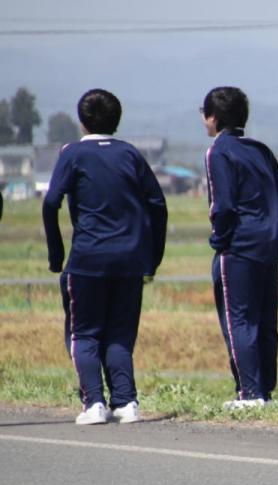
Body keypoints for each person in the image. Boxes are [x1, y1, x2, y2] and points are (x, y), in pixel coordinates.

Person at [42, 89, 167, 425]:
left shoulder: (73, 153)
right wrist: (152, 255)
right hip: (129, 260)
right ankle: (126, 403)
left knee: (84, 332)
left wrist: (57, 254)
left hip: (87, 259)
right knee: (120, 334)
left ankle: (94, 402)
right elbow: (157, 204)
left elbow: (50, 201)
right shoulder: (130, 154)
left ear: (82, 121)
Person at [201, 86, 278, 411]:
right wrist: (271, 228)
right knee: (265, 320)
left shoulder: (219, 151)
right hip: (269, 242)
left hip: (239, 245)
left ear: (213, 117)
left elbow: (222, 205)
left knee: (239, 319)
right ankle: (265, 390)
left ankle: (249, 393)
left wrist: (219, 240)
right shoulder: (260, 149)